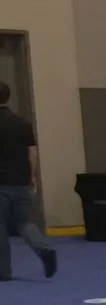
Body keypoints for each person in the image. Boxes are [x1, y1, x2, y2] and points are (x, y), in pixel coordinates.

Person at [0, 81, 56, 280]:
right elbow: (32, 153)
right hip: (21, 181)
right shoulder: (22, 123)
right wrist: (31, 176)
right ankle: (44, 248)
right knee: (24, 222)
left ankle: (3, 271)